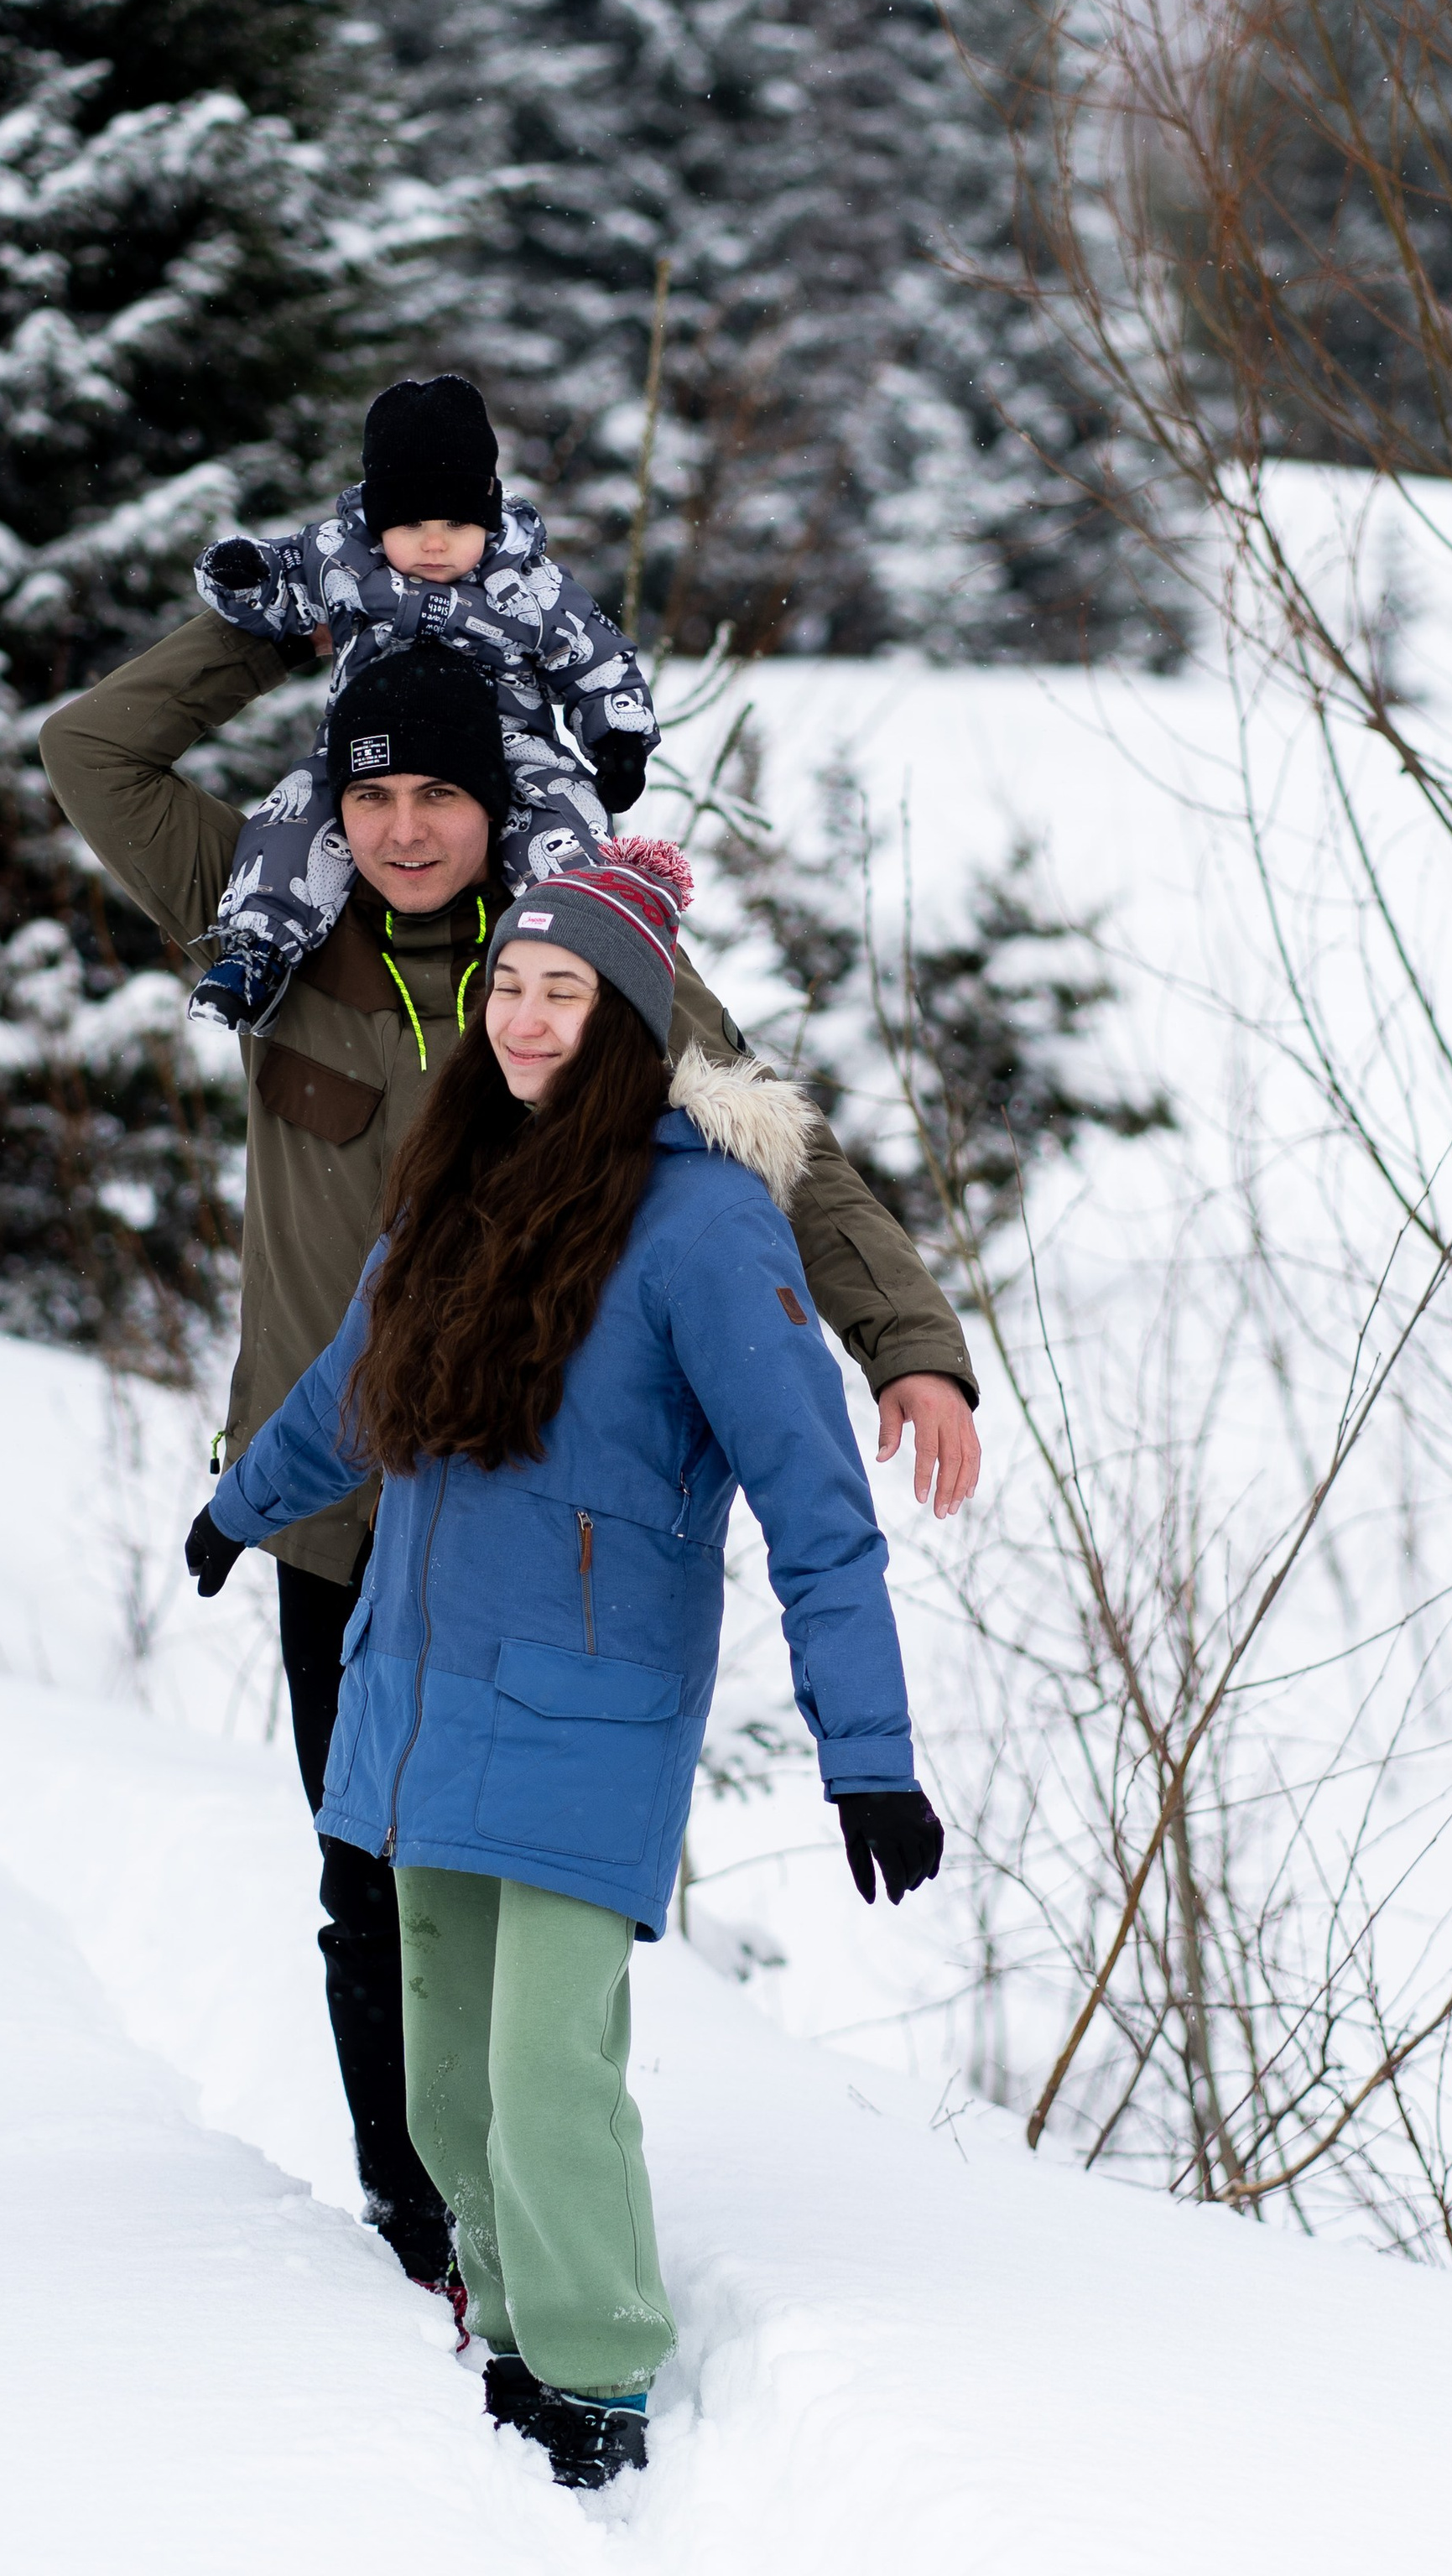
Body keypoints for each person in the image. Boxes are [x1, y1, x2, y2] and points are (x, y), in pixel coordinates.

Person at [38, 616, 979, 2314]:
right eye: (372, 792)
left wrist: (902, 1343)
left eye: (440, 796)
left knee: (516, 1900)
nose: (404, 827)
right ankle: (426, 2233)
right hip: (339, 1512)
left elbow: (779, 1157)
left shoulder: (590, 966)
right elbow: (90, 751)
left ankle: (535, 2246)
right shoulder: (267, 918)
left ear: (499, 802)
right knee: (366, 1887)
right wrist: (278, 618)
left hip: (547, 1537)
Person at [193, 843, 945, 2492]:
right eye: (513, 987)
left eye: (571, 992)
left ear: (634, 1024)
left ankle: (595, 2374)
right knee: (448, 2088)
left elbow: (816, 1507)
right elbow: (342, 1389)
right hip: (422, 1688)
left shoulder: (699, 1227)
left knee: (545, 2067)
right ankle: (519, 2327)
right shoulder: (454, 1178)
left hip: (591, 1705)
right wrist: (239, 1511)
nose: (532, 1016)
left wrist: (867, 1752)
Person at [188, 372, 658, 1032]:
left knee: (562, 809)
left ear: (487, 514)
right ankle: (258, 948)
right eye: (411, 523)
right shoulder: (344, 561)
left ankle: (584, 936)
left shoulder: (527, 582)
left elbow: (596, 657)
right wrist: (243, 575)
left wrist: (619, 740)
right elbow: (282, 581)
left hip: (504, 740)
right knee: (296, 814)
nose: (434, 543)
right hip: (366, 743)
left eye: (455, 522)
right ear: (380, 520)